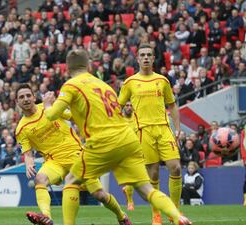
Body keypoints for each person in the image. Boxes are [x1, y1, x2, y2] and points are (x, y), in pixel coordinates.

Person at [42, 49, 192, 225]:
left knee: (71, 181)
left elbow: (52, 115)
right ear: (88, 65)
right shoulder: (103, 85)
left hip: (103, 141)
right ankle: (178, 217)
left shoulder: (71, 85)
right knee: (146, 189)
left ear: (67, 68)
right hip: (128, 139)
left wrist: (46, 105)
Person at [15, 84, 130, 225]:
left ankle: (122, 216)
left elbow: (74, 117)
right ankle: (45, 217)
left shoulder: (49, 108)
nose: (25, 99)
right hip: (54, 162)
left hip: (76, 155)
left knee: (100, 195)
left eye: (28, 95)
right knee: (40, 179)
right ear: (17, 102)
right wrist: (29, 163)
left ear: (33, 97)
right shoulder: (21, 129)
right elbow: (27, 153)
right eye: (21, 97)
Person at [118, 43, 183, 225]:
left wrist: (178, 128)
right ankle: (156, 215)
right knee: (153, 175)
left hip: (163, 128)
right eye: (142, 55)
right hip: (143, 131)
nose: (146, 58)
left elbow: (172, 105)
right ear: (137, 59)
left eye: (149, 55)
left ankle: (175, 212)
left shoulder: (162, 80)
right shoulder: (130, 83)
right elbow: (117, 106)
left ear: (153, 58)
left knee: (175, 167)